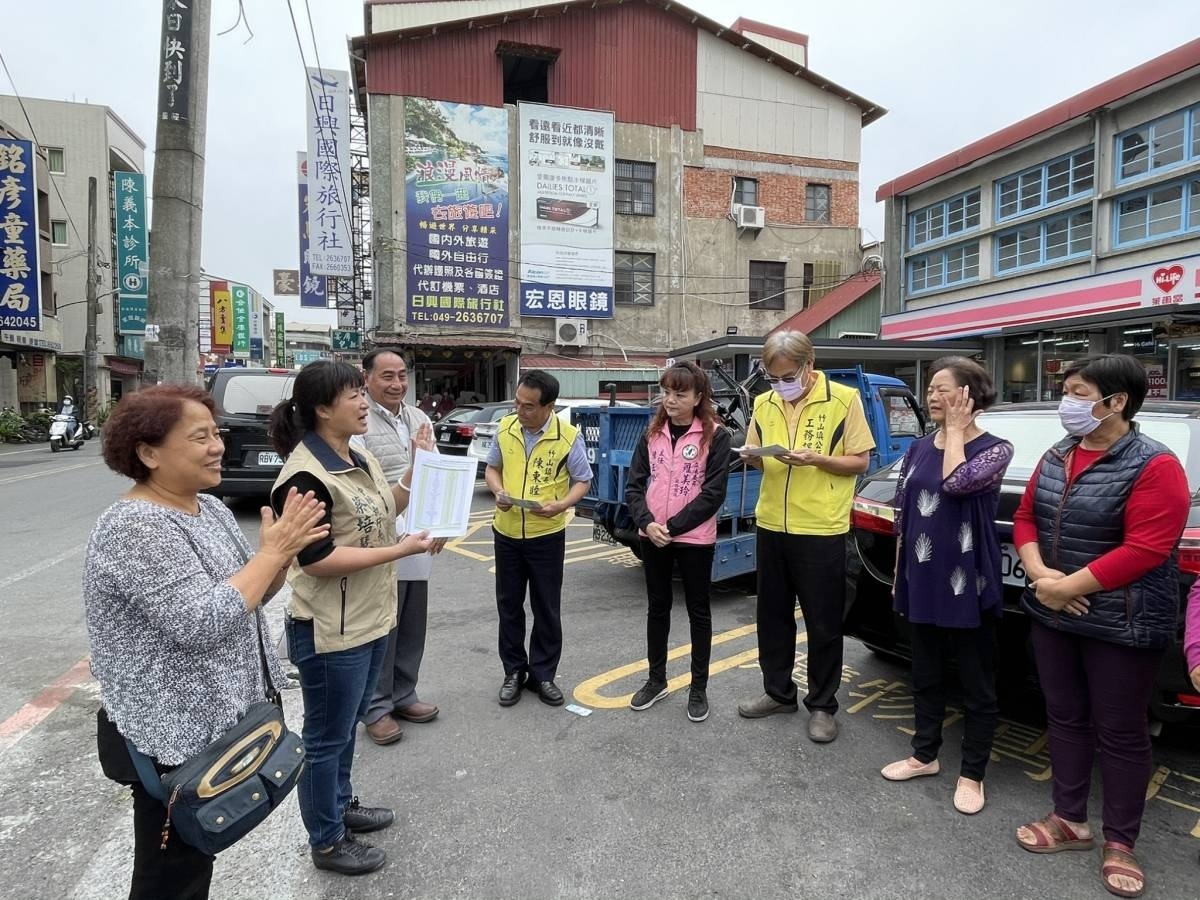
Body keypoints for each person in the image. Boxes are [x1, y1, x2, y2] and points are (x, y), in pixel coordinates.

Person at [84, 384, 329, 900]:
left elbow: (251, 594)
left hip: (218, 725)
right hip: (169, 738)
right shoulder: (135, 526)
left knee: (195, 858)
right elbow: (201, 622)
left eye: (216, 433)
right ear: (149, 453)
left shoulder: (209, 509)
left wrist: (278, 557)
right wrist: (271, 554)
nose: (218, 445)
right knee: (171, 873)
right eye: (200, 437)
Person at [1013, 354, 1189, 899]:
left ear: (1116, 402)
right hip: (1054, 612)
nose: (1068, 402)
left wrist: (1068, 588)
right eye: (1066, 390)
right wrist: (1043, 575)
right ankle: (1070, 819)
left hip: (1124, 622)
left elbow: (1147, 548)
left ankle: (1121, 842)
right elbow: (1025, 518)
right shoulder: (1058, 452)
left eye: (1078, 391)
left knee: (1121, 731)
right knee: (1064, 716)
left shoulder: (1155, 465)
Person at [269, 361, 432, 876]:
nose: (365, 403)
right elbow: (316, 559)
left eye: (364, 393)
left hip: (369, 618)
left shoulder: (353, 455)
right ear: (322, 409)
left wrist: (416, 468)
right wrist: (397, 552)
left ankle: (341, 805)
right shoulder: (304, 476)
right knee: (326, 736)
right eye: (354, 395)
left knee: (342, 730)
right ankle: (327, 838)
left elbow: (386, 509)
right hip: (329, 629)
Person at [881, 357, 1013, 815]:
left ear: (969, 396)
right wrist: (901, 572)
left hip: (968, 581)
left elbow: (957, 484)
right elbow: (903, 511)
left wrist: (956, 432)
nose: (932, 397)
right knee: (925, 673)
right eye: (930, 389)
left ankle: (972, 773)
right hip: (923, 574)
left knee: (977, 682)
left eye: (942, 389)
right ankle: (924, 755)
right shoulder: (918, 446)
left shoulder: (996, 449)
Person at [736, 330, 875, 743]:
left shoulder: (843, 400)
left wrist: (818, 460)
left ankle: (822, 706)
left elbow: (860, 461)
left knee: (823, 622)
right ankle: (778, 692)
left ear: (808, 365)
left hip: (821, 526)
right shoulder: (764, 403)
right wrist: (755, 457)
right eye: (772, 378)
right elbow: (758, 455)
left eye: (786, 377)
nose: (780, 386)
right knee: (772, 617)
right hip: (772, 525)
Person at [625, 362, 731, 722]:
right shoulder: (651, 432)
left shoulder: (715, 436)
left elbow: (713, 494)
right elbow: (634, 486)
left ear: (698, 397)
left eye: (679, 393)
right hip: (652, 534)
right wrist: (648, 522)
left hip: (695, 539)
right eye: (666, 392)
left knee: (698, 611)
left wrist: (671, 525)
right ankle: (657, 680)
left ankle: (698, 687)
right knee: (657, 608)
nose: (670, 400)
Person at [484, 370, 593, 706]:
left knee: (546, 607)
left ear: (549, 407)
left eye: (529, 406)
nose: (520, 410)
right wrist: (498, 490)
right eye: (518, 402)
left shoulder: (568, 436)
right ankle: (514, 672)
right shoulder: (505, 429)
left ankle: (543, 675)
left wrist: (561, 504)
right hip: (506, 531)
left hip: (546, 534)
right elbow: (492, 468)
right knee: (509, 606)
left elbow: (583, 480)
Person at [353, 348, 444, 745]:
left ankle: (404, 693)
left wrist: (441, 523)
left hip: (417, 531)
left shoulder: (419, 418)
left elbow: (436, 472)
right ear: (367, 377)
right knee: (381, 624)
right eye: (387, 376)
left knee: (410, 620)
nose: (396, 384)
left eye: (402, 376)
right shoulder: (358, 419)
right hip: (378, 531)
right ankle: (375, 707)